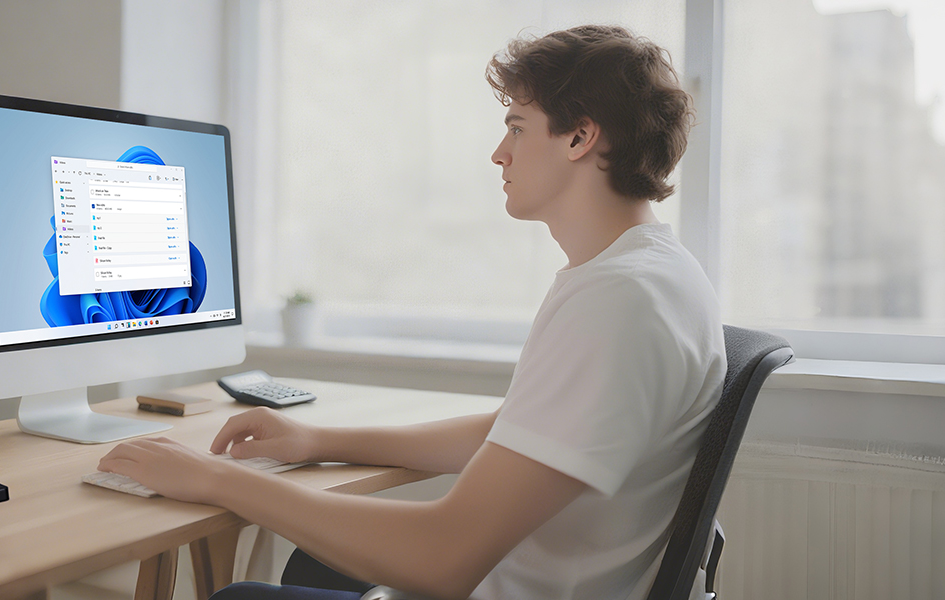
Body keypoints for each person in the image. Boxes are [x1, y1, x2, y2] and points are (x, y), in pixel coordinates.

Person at [96, 24, 726, 600]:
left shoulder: (618, 303)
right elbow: (521, 433)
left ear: (581, 137)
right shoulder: (652, 272)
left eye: (516, 127)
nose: (498, 154)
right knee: (313, 566)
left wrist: (219, 481)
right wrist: (321, 440)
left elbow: (443, 557)